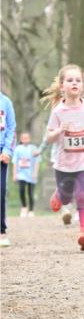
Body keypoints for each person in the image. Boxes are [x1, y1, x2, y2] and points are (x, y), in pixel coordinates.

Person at [42, 64, 84, 251]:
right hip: (64, 164)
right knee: (68, 198)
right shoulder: (58, 112)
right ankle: (60, 195)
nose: (74, 83)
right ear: (62, 86)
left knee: (83, 195)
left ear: (82, 86)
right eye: (70, 80)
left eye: (78, 80)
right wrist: (60, 130)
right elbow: (49, 137)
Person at [0, 90, 17, 247]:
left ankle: (1, 231)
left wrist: (7, 150)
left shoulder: (6, 102)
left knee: (0, 191)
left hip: (1, 152)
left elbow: (11, 128)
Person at [13, 131, 39, 217]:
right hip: (21, 174)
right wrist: (14, 174)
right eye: (23, 138)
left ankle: (31, 210)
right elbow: (15, 162)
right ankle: (24, 207)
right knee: (22, 190)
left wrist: (35, 173)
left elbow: (37, 162)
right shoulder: (17, 149)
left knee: (30, 192)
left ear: (29, 139)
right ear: (21, 139)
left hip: (31, 174)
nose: (25, 140)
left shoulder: (34, 148)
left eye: (27, 138)